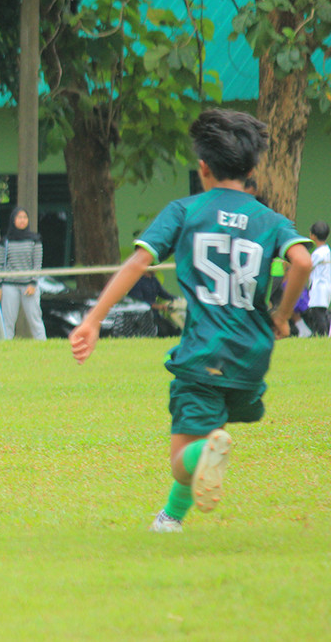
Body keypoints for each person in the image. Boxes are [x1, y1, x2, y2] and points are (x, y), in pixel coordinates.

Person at [69, 109, 312, 533]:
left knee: (184, 459)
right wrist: (283, 314)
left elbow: (138, 262)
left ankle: (203, 459)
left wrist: (93, 319)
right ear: (252, 169)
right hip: (252, 357)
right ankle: (170, 519)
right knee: (208, 428)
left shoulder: (185, 211)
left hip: (202, 353)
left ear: (203, 168)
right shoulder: (269, 220)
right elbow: (303, 261)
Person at [0, 206, 46, 340]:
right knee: (8, 321)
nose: (22, 221)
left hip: (29, 286)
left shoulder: (34, 240)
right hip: (9, 285)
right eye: (19, 218)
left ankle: (43, 345)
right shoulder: (5, 241)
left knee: (35, 319)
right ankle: (4, 348)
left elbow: (37, 264)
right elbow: (0, 264)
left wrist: (33, 283)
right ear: (13, 220)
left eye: (25, 217)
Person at [128, 270, 182, 337]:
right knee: (163, 331)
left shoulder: (154, 280)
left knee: (173, 330)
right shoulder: (136, 282)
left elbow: (163, 293)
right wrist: (158, 306)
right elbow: (139, 301)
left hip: (155, 315)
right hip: (143, 318)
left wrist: (178, 299)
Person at [302, 221, 330, 337]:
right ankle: (321, 334)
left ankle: (321, 335)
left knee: (318, 313)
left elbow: (308, 266)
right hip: (326, 286)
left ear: (313, 236)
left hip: (319, 287)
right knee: (322, 312)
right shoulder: (327, 251)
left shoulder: (318, 253)